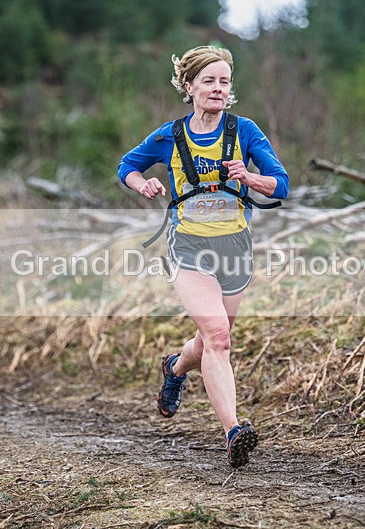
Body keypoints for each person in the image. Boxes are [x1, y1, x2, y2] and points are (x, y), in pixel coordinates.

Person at [117, 45, 289, 468]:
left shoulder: (245, 130)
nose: (217, 88)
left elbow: (281, 184)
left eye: (224, 81)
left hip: (235, 247)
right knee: (219, 337)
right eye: (208, 81)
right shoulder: (169, 136)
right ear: (188, 86)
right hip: (188, 246)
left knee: (210, 340)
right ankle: (234, 432)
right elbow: (127, 166)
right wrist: (143, 184)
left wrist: (250, 177)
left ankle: (176, 368)